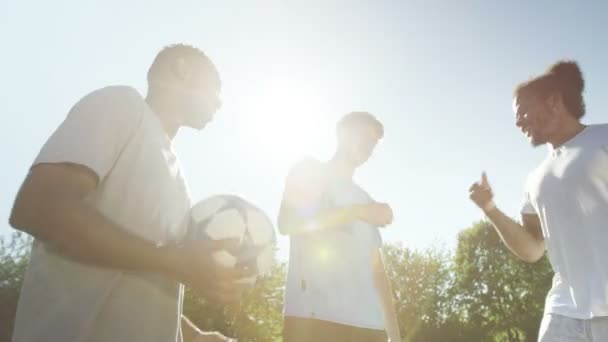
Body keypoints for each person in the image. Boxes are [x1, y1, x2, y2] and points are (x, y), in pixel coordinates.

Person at [9, 44, 243, 342]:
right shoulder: (122, 104)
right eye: (216, 87)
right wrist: (174, 261)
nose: (219, 102)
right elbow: (39, 207)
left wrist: (195, 336)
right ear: (183, 69)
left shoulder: (178, 178)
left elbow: (136, 274)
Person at [469, 61, 608, 341]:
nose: (518, 122)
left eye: (522, 112)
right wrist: (490, 209)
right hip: (563, 314)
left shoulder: (602, 137)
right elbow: (532, 250)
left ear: (553, 101)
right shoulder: (534, 179)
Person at [278, 111, 402, 342]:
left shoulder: (366, 199)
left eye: (373, 142)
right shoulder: (309, 171)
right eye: (363, 135)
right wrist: (359, 212)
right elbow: (289, 222)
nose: (368, 145)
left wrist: (394, 334)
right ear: (341, 133)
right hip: (315, 322)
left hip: (370, 328)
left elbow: (377, 272)